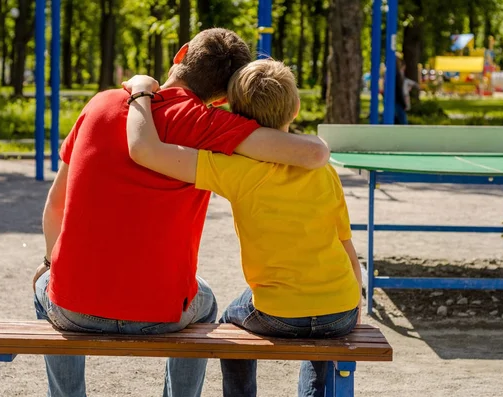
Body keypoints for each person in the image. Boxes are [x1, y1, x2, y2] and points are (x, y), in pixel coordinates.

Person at [32, 29, 330, 397]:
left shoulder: (100, 104)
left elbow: (54, 206)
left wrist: (50, 262)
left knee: (47, 283)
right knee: (206, 304)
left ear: (182, 53)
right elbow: (313, 154)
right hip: (162, 314)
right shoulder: (208, 125)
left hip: (74, 309)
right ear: (223, 96)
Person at [124, 59, 362, 397]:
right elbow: (346, 246)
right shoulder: (324, 171)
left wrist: (142, 96)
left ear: (237, 115)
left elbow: (149, 152)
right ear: (294, 109)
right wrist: (355, 306)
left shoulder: (234, 170)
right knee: (322, 338)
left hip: (277, 312)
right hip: (341, 307)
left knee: (229, 324)